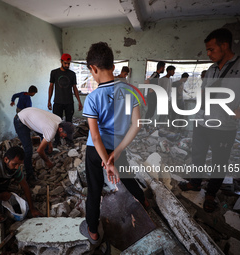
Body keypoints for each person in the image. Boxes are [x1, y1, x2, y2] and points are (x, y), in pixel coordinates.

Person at [178, 28, 240, 213]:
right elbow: (205, 90)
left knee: (219, 161)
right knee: (198, 155)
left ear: (224, 46)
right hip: (202, 123)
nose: (208, 53)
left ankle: (210, 194)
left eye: (211, 49)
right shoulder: (211, 68)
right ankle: (194, 183)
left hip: (224, 127)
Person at [79, 42, 148, 244]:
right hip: (118, 147)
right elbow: (137, 125)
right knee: (127, 178)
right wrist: (116, 153)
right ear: (113, 66)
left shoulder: (93, 97)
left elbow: (96, 136)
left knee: (94, 189)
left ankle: (92, 230)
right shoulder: (130, 90)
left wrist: (106, 163)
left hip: (95, 151)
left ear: (93, 68)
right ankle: (143, 202)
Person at [14, 107, 74, 180]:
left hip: (27, 113)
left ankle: (47, 151)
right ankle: (29, 175)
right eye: (64, 135)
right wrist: (47, 161)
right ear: (61, 129)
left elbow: (46, 132)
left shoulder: (58, 120)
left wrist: (49, 144)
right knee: (28, 149)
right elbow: (39, 151)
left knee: (44, 137)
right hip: (20, 121)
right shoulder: (51, 130)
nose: (63, 138)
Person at [48, 53, 83, 124]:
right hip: (58, 102)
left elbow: (75, 88)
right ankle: (58, 135)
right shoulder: (54, 73)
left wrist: (79, 101)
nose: (67, 65)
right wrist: (49, 100)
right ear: (61, 61)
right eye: (65, 63)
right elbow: (51, 86)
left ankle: (68, 135)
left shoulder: (72, 74)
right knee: (57, 122)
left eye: (69, 64)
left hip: (69, 102)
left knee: (69, 123)